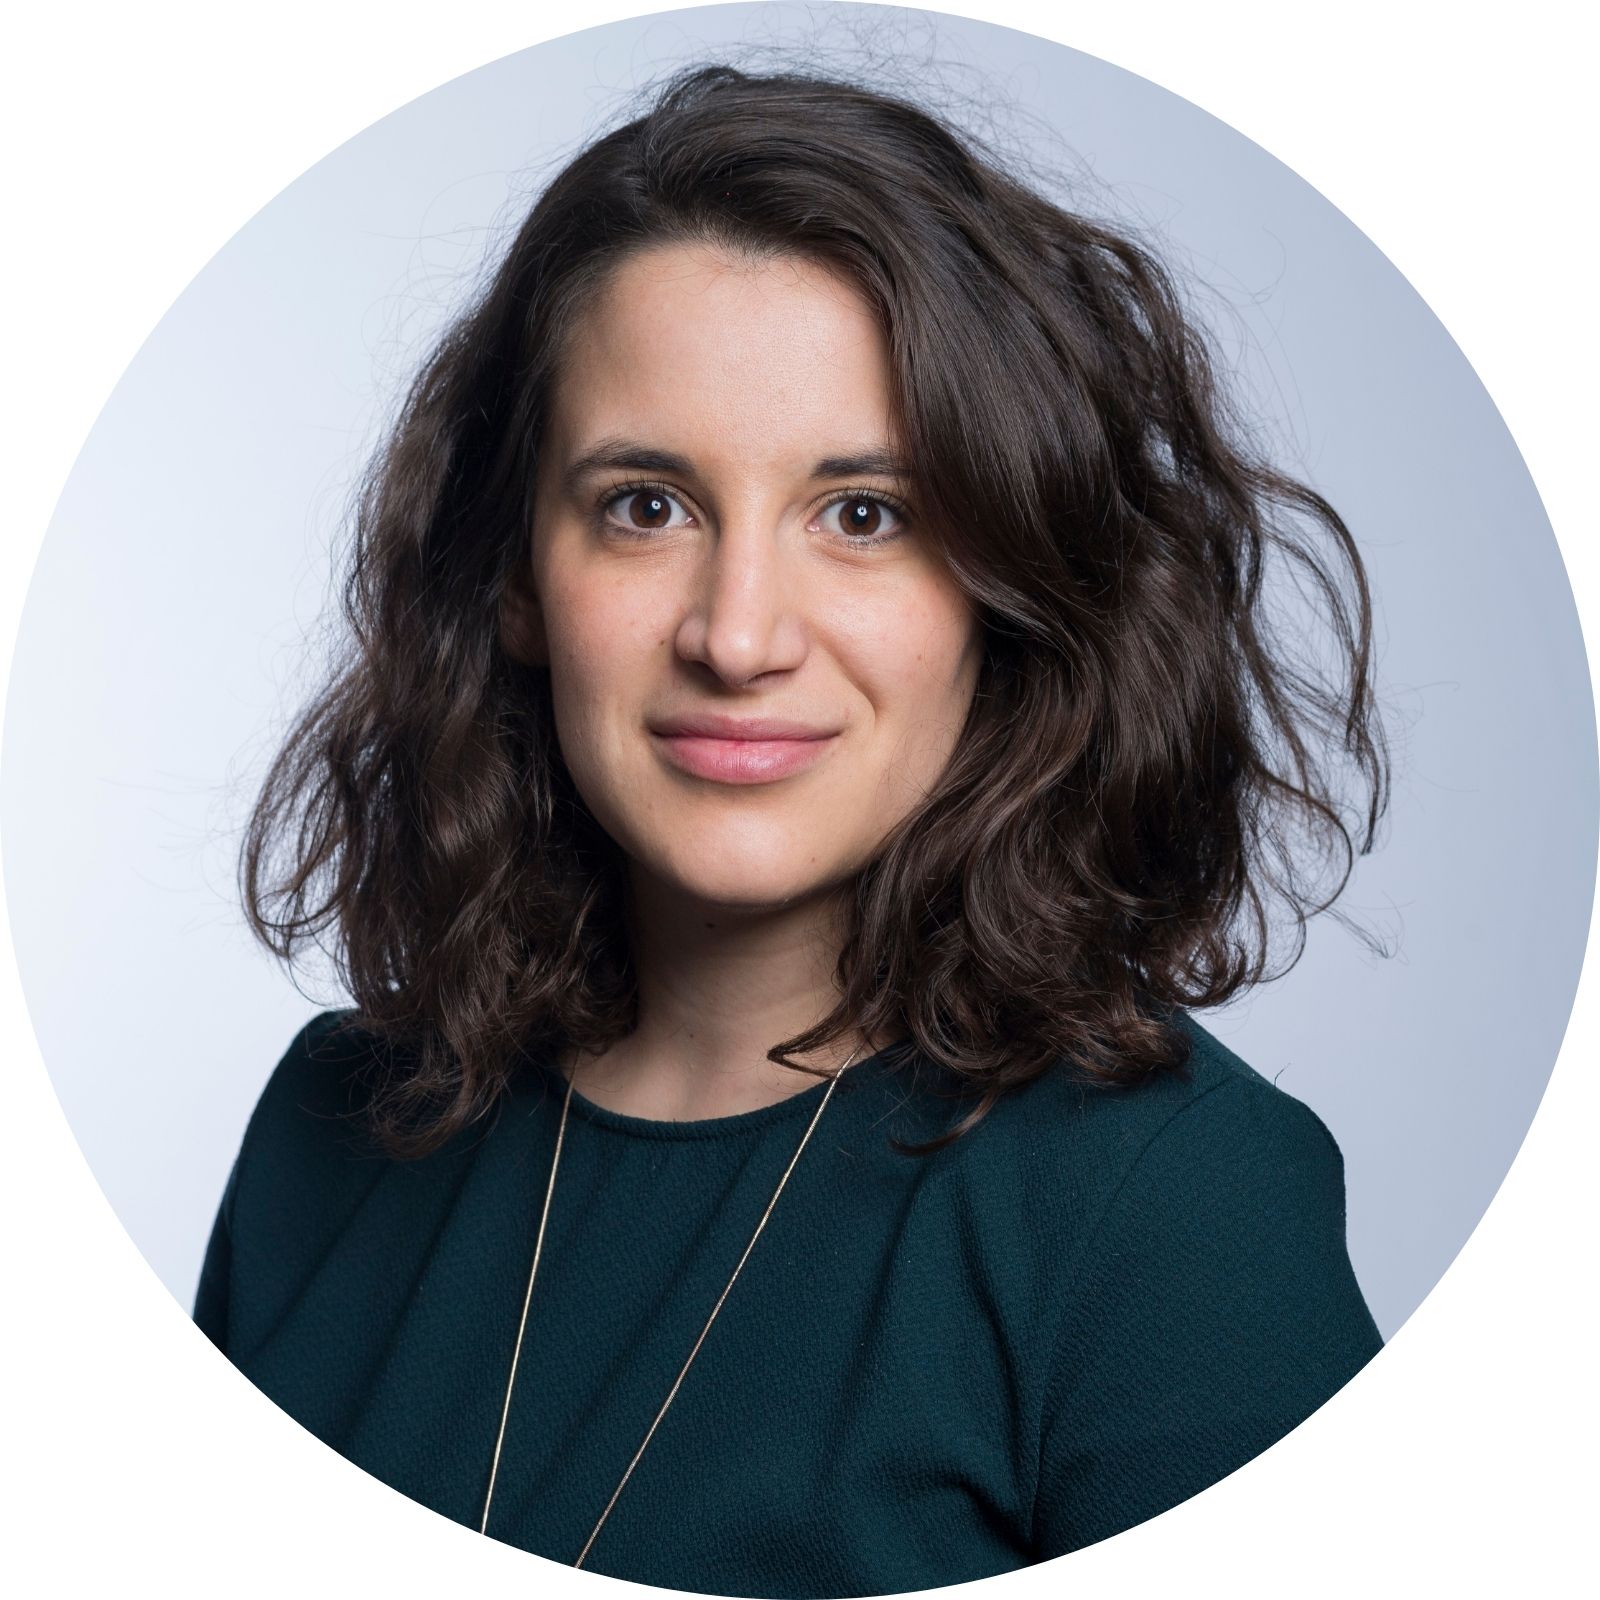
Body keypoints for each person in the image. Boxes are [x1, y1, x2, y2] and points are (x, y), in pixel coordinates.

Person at [196, 62, 1392, 1597]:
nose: (740, 634)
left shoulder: (1172, 1217)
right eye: (646, 505)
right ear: (512, 580)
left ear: (1008, 588)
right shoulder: (325, 1138)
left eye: (865, 513)